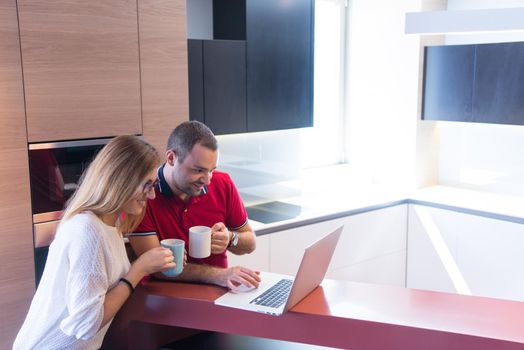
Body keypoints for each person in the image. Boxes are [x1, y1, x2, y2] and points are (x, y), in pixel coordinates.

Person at [13, 135, 177, 350]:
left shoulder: (110, 225)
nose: (153, 195)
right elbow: (86, 324)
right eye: (147, 185)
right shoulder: (88, 231)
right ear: (121, 179)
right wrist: (139, 269)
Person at [129, 121, 261, 290]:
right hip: (165, 297)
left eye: (211, 170)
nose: (208, 180)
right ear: (171, 158)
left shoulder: (223, 183)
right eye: (198, 170)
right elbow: (157, 269)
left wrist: (230, 238)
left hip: (219, 290)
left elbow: (250, 243)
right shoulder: (144, 196)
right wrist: (218, 275)